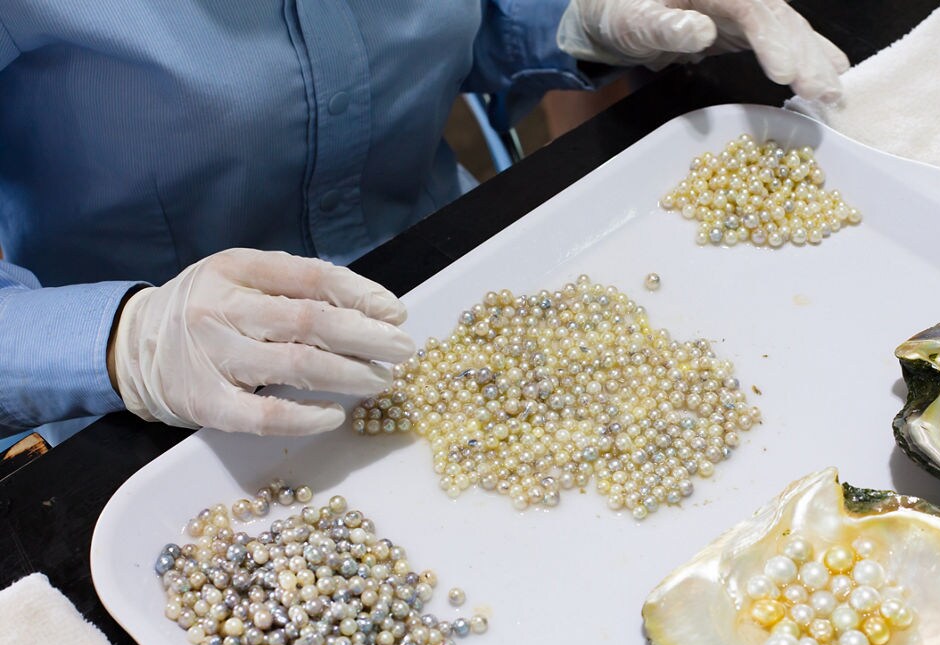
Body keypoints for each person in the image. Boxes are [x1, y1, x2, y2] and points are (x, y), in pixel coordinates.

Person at [0, 0, 848, 442]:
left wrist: (582, 20)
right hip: (149, 411)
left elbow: (469, 26)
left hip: (447, 301)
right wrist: (124, 337)